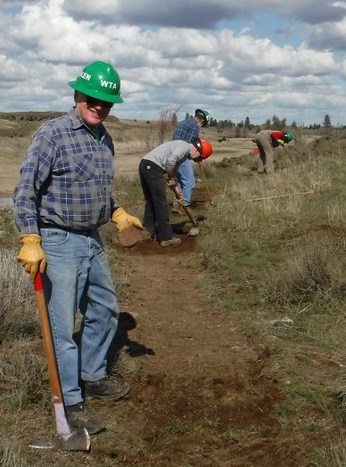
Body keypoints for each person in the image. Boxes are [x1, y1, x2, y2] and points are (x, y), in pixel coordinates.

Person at [13, 61, 143, 435]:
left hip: (91, 239)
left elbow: (96, 189)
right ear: (77, 94)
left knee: (105, 308)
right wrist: (30, 238)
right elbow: (24, 190)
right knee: (62, 326)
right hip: (57, 240)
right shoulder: (52, 134)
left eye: (107, 102)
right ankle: (70, 402)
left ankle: (92, 374)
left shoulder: (104, 139)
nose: (99, 106)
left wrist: (115, 211)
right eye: (92, 98)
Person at [139, 138, 213, 246]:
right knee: (161, 204)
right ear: (197, 151)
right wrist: (171, 177)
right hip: (154, 168)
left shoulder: (183, 153)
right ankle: (166, 237)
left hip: (145, 165)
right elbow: (171, 161)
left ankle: (148, 232)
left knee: (150, 202)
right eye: (199, 158)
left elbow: (173, 173)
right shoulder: (185, 147)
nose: (196, 161)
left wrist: (179, 194)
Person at [171, 108, 209, 207]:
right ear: (202, 120)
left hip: (172, 154)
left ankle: (177, 204)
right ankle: (185, 205)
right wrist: (196, 155)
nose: (201, 126)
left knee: (180, 181)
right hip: (182, 155)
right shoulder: (194, 126)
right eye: (203, 124)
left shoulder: (184, 122)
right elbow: (189, 144)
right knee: (189, 182)